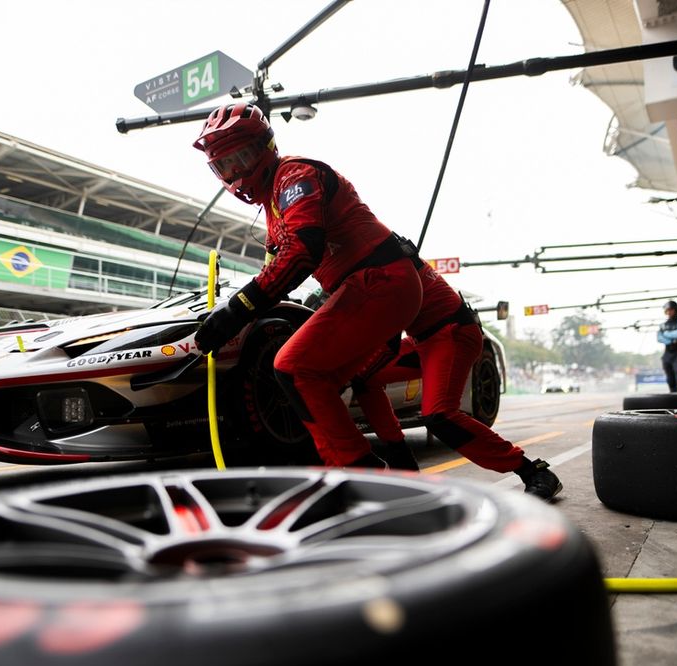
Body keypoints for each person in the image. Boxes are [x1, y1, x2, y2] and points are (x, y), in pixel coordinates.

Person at [192, 102, 423, 468]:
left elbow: (301, 252)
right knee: (318, 380)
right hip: (376, 287)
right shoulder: (274, 209)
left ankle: (359, 472)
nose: (235, 172)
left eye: (242, 157)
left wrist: (236, 311)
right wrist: (230, 313)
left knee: (292, 368)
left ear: (266, 147)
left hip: (379, 281)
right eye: (224, 165)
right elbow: (273, 276)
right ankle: (399, 470)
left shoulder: (293, 175)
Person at [349, 260, 564, 501]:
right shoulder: (348, 260)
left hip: (452, 333)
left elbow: (384, 334)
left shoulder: (373, 257)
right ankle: (404, 466)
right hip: (423, 340)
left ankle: (533, 472)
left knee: (440, 416)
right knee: (363, 377)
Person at [657, 300, 677, 392]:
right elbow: (659, 338)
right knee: (670, 380)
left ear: (676, 310)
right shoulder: (663, 325)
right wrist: (671, 340)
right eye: (667, 310)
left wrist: (666, 333)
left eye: (671, 310)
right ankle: (672, 396)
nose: (669, 312)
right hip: (667, 354)